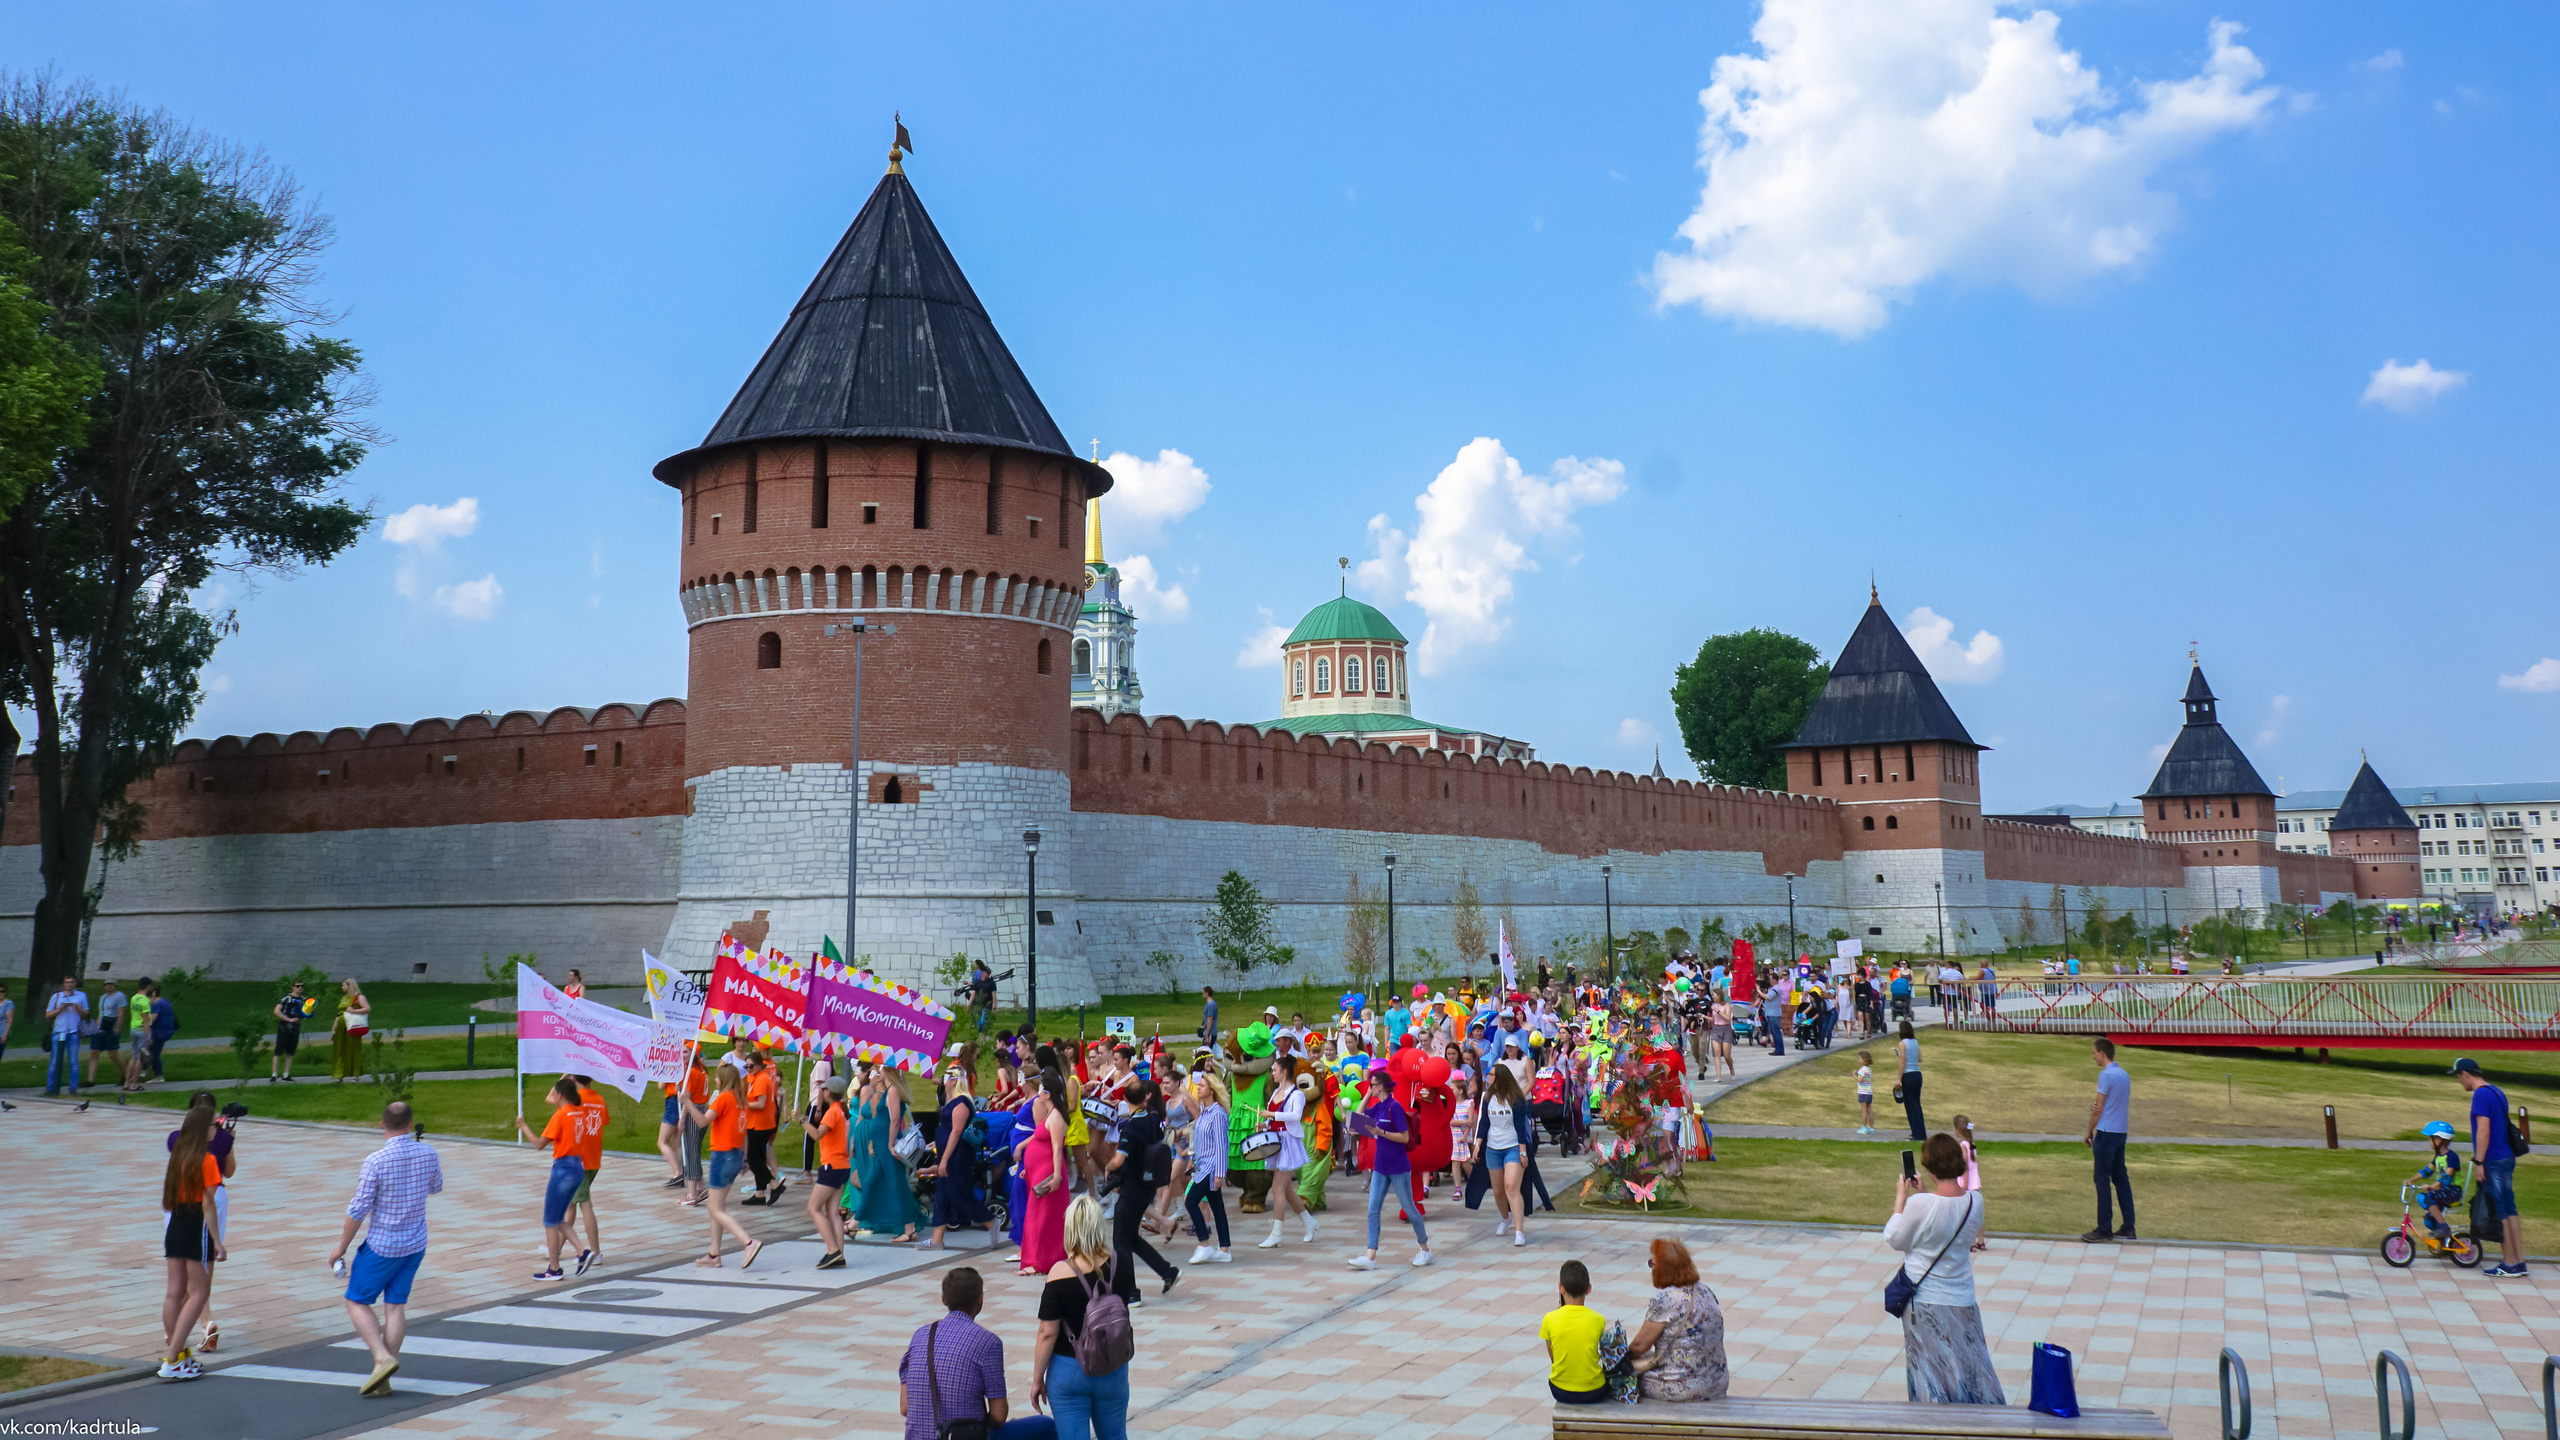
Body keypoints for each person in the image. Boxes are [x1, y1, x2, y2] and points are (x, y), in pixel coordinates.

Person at [331, 1101, 444, 1396]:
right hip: (415, 1242)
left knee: (356, 1300)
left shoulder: (376, 1161)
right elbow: (435, 1187)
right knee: (395, 1306)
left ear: (382, 1124)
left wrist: (341, 1247)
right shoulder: (428, 1152)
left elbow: (358, 1209)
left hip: (383, 1245)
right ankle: (383, 1377)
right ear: (410, 1122)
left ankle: (382, 1358)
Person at [1886, 1133, 2002, 1405]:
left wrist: (1902, 1199)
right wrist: (1924, 1194)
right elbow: (1945, 1219)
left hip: (1925, 1302)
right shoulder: (1975, 1201)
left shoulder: (1919, 1204)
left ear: (1930, 1168)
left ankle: (1933, 1424)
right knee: (1967, 1367)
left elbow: (1895, 1238)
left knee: (1929, 1371)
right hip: (1962, 1297)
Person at [898, 1265, 1053, 1440]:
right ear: (980, 1299)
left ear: (943, 1299)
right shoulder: (988, 1342)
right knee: (1046, 1426)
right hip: (965, 1436)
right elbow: (999, 1415)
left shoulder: (921, 1335)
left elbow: (905, 1407)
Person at [1032, 1195, 1129, 1439]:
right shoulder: (1122, 1262)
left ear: (1070, 1228)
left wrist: (1037, 1379)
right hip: (1113, 1366)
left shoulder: (1059, 1272)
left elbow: (1047, 1332)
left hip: (1070, 1369)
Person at [158, 1107, 226, 1381]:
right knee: (199, 1292)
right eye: (215, 1123)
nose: (217, 1128)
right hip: (196, 1224)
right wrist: (218, 1242)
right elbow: (208, 1202)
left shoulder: (178, 1157)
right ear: (203, 1128)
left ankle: (178, 1353)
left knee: (174, 1291)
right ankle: (173, 1358)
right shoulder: (207, 1160)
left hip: (176, 1222)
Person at [680, 1062, 763, 1268]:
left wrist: (688, 1103)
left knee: (714, 1208)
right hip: (735, 1156)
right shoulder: (740, 1099)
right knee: (718, 1207)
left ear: (724, 1079)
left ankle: (748, 1242)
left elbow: (702, 1121)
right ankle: (714, 1255)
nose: (715, 1080)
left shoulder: (723, 1098)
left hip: (722, 1156)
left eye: (718, 1077)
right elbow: (742, 1132)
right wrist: (744, 1159)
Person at [1103, 1078, 1178, 1303]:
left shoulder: (1132, 1125)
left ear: (1125, 1100)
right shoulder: (1152, 1119)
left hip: (1132, 1188)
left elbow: (1119, 1158)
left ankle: (1131, 1293)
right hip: (1147, 1186)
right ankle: (1167, 1272)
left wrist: (1107, 1167)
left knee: (1120, 1244)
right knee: (1131, 1239)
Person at [1627, 1236, 1729, 1401]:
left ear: (1662, 1269)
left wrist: (1618, 1360)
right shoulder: (1706, 1291)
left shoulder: (1666, 1299)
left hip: (1682, 1388)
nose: (1651, 1269)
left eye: (1652, 1264)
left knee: (1623, 1377)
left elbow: (1639, 1346)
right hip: (1716, 1383)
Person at [514, 1076, 595, 1281]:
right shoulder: (579, 1112)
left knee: (550, 1220)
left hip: (563, 1169)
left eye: (555, 1094)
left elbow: (539, 1144)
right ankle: (582, 1252)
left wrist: (523, 1127)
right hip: (578, 1167)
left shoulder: (560, 1116)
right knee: (558, 1216)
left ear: (559, 1095)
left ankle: (554, 1268)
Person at [1346, 1073, 1430, 1269]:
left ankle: (1425, 1248)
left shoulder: (1394, 1107)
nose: (1370, 1087)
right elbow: (1356, 1121)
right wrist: (1367, 1095)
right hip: (1380, 1167)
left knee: (1409, 1208)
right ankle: (1370, 1255)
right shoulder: (1379, 1107)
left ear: (1381, 1087)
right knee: (1372, 1209)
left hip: (1398, 1166)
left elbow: (1404, 1137)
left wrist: (1382, 1132)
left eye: (1372, 1085)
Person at [2455, 1057, 2528, 1277]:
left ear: (2466, 1074)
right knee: (2510, 1209)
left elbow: (2483, 1130)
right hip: (2506, 1157)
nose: (2460, 1082)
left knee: (2499, 1213)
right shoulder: (2497, 1092)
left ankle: (2509, 1263)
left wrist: (2479, 1161)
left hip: (2493, 1160)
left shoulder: (2480, 1096)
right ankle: (2519, 1260)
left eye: (2459, 1077)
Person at [852, 1061, 924, 1244]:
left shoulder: (892, 1091)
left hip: (887, 1144)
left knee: (897, 1184)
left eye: (881, 1068)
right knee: (870, 1182)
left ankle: (910, 1228)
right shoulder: (887, 1090)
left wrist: (891, 1145)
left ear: (888, 1071)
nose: (878, 1071)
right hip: (881, 1142)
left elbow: (894, 1120)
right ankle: (855, 1222)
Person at [922, 1068, 992, 1251]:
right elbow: (946, 1129)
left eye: (947, 1077)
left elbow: (956, 1132)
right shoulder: (949, 1101)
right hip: (947, 1151)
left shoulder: (961, 1103)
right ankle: (937, 1239)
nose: (944, 1080)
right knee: (942, 1195)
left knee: (958, 1194)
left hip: (958, 1155)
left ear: (955, 1081)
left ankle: (989, 1222)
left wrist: (943, 1161)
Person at [1256, 1056, 1317, 1249]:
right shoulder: (1276, 1092)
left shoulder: (1296, 1094)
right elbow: (1273, 1119)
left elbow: (1295, 1116)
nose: (1272, 1072)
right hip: (1274, 1141)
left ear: (1284, 1072)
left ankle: (1276, 1234)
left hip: (1288, 1143)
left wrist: (1273, 1115)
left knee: (1278, 1189)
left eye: (1275, 1069)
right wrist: (1264, 1124)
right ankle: (1309, 1222)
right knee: (1287, 1190)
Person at [1019, 1069, 1074, 1272]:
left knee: (1042, 1217)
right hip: (1038, 1170)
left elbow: (1058, 1147)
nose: (1038, 1094)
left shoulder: (1057, 1116)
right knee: (1036, 1216)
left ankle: (1040, 1261)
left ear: (1048, 1094)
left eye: (1041, 1090)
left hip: (1049, 1171)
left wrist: (1057, 1176)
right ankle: (1036, 1258)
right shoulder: (1050, 1113)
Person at [1475, 1062, 1533, 1247]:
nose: (1488, 1078)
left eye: (1491, 1075)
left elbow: (1520, 1127)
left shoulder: (1515, 1098)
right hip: (1493, 1148)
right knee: (1498, 1190)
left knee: (1511, 1188)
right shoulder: (1487, 1097)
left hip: (1513, 1146)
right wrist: (1478, 1144)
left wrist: (1523, 1152)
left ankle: (1519, 1231)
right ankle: (1505, 1218)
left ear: (1500, 1078)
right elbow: (1484, 1122)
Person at [2082, 1038, 2134, 1243]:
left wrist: (2088, 1131)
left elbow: (2098, 1107)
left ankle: (2104, 1228)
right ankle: (2129, 1225)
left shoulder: (2106, 1075)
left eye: (2094, 1052)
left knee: (2101, 1180)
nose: (2093, 1056)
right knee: (2121, 1178)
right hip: (2120, 1132)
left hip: (2106, 1131)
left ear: (2103, 1053)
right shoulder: (2124, 1075)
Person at [1180, 1070, 1232, 1265]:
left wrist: (1219, 1174)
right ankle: (1225, 1248)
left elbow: (1221, 1146)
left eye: (1201, 1086)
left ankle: (1204, 1243)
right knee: (1218, 1208)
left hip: (1211, 1168)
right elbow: (1200, 1140)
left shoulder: (1217, 1115)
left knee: (1190, 1201)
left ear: (1211, 1090)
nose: (1198, 1089)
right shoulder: (1203, 1112)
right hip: (1202, 1165)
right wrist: (1193, 1158)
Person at [1540, 1259, 1609, 1404]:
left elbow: (1554, 1359)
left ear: (1561, 1288)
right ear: (1589, 1289)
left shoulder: (1549, 1318)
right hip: (1594, 1391)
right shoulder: (1598, 1319)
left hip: (1560, 1390)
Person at [809, 1074, 852, 1267]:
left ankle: (832, 1250)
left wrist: (802, 1120)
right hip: (842, 1165)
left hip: (831, 1165)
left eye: (824, 1089)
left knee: (813, 1208)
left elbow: (817, 1134)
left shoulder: (832, 1112)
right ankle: (839, 1254)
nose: (822, 1091)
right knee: (833, 1212)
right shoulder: (840, 1111)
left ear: (829, 1092)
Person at [2408, 1120, 2465, 1251]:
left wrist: (2433, 1186)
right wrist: (2411, 1180)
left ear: (2439, 1140)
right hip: (2444, 1191)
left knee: (2427, 1197)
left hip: (2453, 1191)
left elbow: (2447, 1176)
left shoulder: (2452, 1156)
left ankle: (2444, 1227)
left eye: (2431, 1139)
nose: (2429, 1142)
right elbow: (2427, 1171)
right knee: (2429, 1220)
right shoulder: (2438, 1157)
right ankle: (2443, 1246)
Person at [739, 1049, 786, 1208]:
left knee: (753, 1160)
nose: (748, 1069)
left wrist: (742, 1104)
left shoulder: (762, 1079)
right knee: (758, 1157)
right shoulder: (755, 1078)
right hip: (756, 1123)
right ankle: (760, 1193)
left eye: (751, 1066)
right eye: (746, 1066)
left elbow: (760, 1104)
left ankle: (774, 1184)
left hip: (761, 1124)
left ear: (759, 1065)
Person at [43, 975, 86, 1096]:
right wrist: (59, 1010)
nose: (69, 984)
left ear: (75, 983)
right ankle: (50, 1087)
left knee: (73, 1061)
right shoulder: (56, 996)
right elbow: (47, 1014)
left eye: (72, 982)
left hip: (73, 1031)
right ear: (63, 984)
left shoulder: (81, 996)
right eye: (67, 982)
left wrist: (78, 1008)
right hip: (59, 1031)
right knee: (54, 1061)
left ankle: (73, 1088)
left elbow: (86, 1012)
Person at [86, 978, 127, 1088]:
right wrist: (95, 1027)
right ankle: (90, 1080)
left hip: (111, 1027)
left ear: (115, 985)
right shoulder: (102, 998)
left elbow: (121, 1013)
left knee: (113, 1054)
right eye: (107, 984)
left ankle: (126, 1074)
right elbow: (101, 1013)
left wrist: (117, 1028)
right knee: (94, 1052)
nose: (109, 986)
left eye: (111, 984)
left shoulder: (120, 996)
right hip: (100, 1028)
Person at [331, 978, 371, 1082]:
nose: (342, 987)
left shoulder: (359, 997)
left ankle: (355, 1074)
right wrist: (334, 1027)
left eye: (344, 985)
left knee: (354, 1048)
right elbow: (339, 1013)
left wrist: (354, 1011)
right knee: (339, 1048)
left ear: (350, 985)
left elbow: (367, 1009)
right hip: (341, 1026)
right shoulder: (344, 998)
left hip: (352, 1026)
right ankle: (339, 1074)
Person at [271, 980, 307, 1082]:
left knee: (290, 1052)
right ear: (293, 987)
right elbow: (276, 1011)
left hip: (295, 1027)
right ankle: (274, 1074)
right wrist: (287, 1019)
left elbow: (306, 1013)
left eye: (302, 986)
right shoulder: (287, 999)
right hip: (285, 1026)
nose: (300, 988)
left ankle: (286, 1074)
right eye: (298, 986)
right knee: (279, 1051)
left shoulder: (303, 1000)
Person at [1897, 1020, 1926, 1142]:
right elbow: (1920, 1058)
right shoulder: (1915, 1042)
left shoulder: (1902, 1044)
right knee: (1917, 1104)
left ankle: (1916, 1134)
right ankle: (1921, 1132)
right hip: (1917, 1074)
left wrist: (1898, 1078)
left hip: (1908, 1075)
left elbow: (1903, 1062)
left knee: (1910, 1105)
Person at [1758, 982, 1786, 1058]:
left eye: (1770, 979)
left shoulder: (1776, 989)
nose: (1769, 981)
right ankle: (1777, 1049)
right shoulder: (1773, 989)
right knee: (1774, 1032)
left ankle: (1779, 1050)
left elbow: (1768, 997)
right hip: (1771, 1013)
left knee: (1776, 1032)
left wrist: (1759, 991)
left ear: (1774, 980)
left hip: (1774, 1013)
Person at [1855, 1051, 1875, 1134]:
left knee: (1864, 1110)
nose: (1858, 1060)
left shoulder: (1862, 1070)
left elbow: (1860, 1080)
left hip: (1863, 1092)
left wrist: (1854, 1075)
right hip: (1869, 1091)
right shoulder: (1868, 1069)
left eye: (1859, 1058)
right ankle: (1871, 1127)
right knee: (1869, 1109)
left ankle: (1863, 1127)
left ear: (1864, 1059)